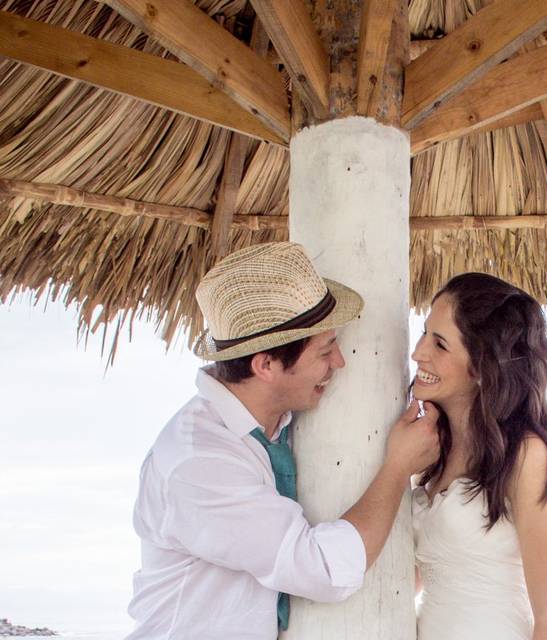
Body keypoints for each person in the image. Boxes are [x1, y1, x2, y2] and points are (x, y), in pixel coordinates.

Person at [126, 242, 439, 639]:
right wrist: (397, 467)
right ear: (266, 365)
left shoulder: (277, 426)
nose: (340, 362)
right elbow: (322, 569)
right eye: (325, 350)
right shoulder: (199, 462)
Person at [411, 272, 547, 640]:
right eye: (424, 333)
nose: (418, 352)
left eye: (439, 343)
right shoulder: (430, 452)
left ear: (482, 365)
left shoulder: (527, 454)